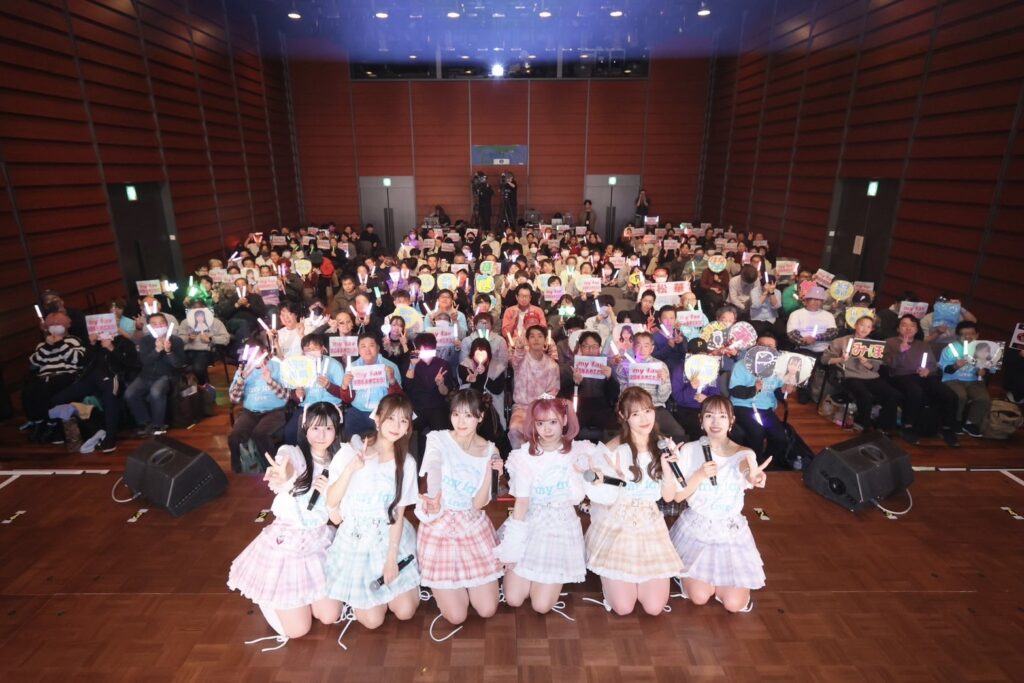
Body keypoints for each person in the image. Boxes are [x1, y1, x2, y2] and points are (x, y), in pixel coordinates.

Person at [227, 402, 344, 645]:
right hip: (287, 544)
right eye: (315, 428)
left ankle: (303, 601)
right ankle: (269, 599)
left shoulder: (339, 463)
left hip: (319, 541)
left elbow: (337, 519)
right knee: (297, 630)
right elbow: (286, 465)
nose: (321, 435)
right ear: (305, 427)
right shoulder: (294, 453)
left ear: (336, 430)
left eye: (328, 428)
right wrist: (283, 473)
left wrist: (331, 496)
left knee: (330, 616)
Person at [324, 395, 421, 635]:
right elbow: (331, 501)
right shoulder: (351, 451)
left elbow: (398, 513)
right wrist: (351, 469)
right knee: (372, 621)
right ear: (377, 419)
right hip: (356, 541)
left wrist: (391, 560)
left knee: (406, 611)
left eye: (403, 421)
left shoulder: (406, 463)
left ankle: (391, 593)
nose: (396, 426)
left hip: (389, 537)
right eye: (390, 419)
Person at [583, 387, 684, 616]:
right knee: (623, 607)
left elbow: (669, 497)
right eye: (636, 414)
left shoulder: (664, 445)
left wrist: (668, 469)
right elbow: (602, 494)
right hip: (618, 524)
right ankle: (609, 579)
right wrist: (602, 480)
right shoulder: (613, 450)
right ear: (623, 416)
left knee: (654, 608)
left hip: (650, 524)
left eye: (648, 411)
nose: (644, 419)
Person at [415, 389, 505, 639]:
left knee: (487, 609)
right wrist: (435, 495)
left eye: (468, 415)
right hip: (440, 521)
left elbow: (478, 504)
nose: (461, 421)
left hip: (471, 524)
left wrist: (490, 473)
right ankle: (449, 587)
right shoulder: (438, 438)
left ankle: (466, 583)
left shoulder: (491, 450)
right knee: (457, 616)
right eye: (456, 414)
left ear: (480, 416)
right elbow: (433, 465)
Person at [669, 396, 769, 613]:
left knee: (734, 604)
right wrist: (698, 475)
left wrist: (754, 476)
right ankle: (684, 575)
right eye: (709, 416)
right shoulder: (689, 450)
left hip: (729, 532)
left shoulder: (744, 453)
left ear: (731, 421)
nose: (715, 422)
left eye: (722, 416)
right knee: (699, 597)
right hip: (697, 531)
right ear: (701, 420)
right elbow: (677, 497)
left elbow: (746, 468)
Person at [496, 397, 589, 614]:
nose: (546, 429)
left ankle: (546, 578)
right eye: (540, 423)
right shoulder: (524, 456)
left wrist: (578, 474)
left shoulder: (579, 451)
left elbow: (577, 497)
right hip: (531, 522)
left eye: (553, 422)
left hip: (560, 526)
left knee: (540, 606)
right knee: (513, 599)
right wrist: (511, 551)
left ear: (564, 420)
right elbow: (521, 503)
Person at [883, 315, 960, 447]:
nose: (908, 328)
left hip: (922, 376)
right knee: (916, 392)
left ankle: (947, 428)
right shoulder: (889, 342)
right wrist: (901, 351)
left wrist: (928, 371)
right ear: (898, 328)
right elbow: (887, 364)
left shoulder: (922, 344)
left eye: (912, 325)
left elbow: (933, 365)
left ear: (917, 329)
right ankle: (908, 426)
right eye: (904, 325)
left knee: (950, 395)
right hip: (899, 376)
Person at [822, 316, 904, 433]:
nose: (865, 329)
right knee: (865, 395)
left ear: (872, 330)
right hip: (849, 376)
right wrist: (840, 359)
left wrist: (866, 363)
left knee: (893, 394)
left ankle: (884, 426)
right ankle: (862, 424)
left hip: (870, 376)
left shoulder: (873, 345)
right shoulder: (841, 341)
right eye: (862, 325)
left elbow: (875, 368)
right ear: (855, 325)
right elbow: (825, 359)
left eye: (868, 327)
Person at [728, 334, 797, 466]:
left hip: (765, 408)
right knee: (756, 433)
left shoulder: (778, 369)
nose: (765, 349)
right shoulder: (741, 365)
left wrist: (785, 390)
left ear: (776, 350)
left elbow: (778, 391)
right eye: (762, 345)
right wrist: (753, 389)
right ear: (755, 346)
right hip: (742, 406)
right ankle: (752, 464)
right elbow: (734, 391)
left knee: (779, 437)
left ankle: (768, 462)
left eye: (770, 346)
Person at [23, 311, 87, 443]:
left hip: (65, 375)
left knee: (44, 390)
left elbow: (77, 360)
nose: (55, 326)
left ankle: (50, 424)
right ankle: (38, 422)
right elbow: (34, 363)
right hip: (44, 376)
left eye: (58, 324)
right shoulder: (42, 345)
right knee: (29, 391)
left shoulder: (73, 340)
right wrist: (48, 345)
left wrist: (60, 344)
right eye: (52, 324)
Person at [611, 332, 688, 441]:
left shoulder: (660, 366)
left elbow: (663, 398)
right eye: (638, 345)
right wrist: (617, 366)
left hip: (655, 407)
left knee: (678, 433)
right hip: (632, 408)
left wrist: (663, 381)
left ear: (652, 348)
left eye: (646, 346)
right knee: (616, 433)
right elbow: (622, 392)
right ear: (633, 347)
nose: (642, 349)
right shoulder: (625, 366)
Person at [227, 339, 290, 473]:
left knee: (260, 434)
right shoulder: (243, 370)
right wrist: (241, 379)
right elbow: (233, 399)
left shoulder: (277, 367)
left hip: (275, 411)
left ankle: (274, 470)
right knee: (234, 437)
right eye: (249, 355)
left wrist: (270, 381)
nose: (252, 358)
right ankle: (238, 472)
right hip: (250, 412)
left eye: (255, 354)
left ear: (264, 352)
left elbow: (285, 397)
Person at [125, 313, 185, 437]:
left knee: (156, 392)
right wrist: (157, 350)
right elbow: (144, 361)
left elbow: (178, 364)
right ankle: (145, 422)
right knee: (129, 394)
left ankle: (158, 425)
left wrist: (169, 351)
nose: (159, 326)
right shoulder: (145, 341)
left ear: (167, 325)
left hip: (166, 376)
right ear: (149, 327)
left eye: (161, 323)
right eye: (155, 324)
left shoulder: (176, 341)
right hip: (145, 375)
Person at [339, 333, 402, 439]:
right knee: (351, 441)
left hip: (383, 412)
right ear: (358, 350)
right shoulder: (352, 368)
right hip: (357, 411)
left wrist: (392, 380)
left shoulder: (391, 367)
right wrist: (344, 386)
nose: (367, 350)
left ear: (378, 348)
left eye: (371, 345)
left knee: (382, 443)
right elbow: (347, 399)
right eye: (363, 346)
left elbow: (398, 398)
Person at [403, 333, 456, 457]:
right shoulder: (411, 362)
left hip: (437, 407)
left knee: (443, 434)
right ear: (416, 349)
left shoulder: (443, 364)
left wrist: (440, 384)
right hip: (416, 407)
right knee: (407, 432)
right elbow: (406, 387)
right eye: (422, 350)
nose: (425, 353)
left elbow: (446, 392)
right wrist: (413, 365)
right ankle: (411, 460)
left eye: (428, 349)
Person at [508, 326, 560, 449]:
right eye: (532, 336)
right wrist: (519, 349)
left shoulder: (552, 365)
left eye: (540, 336)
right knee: (515, 429)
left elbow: (553, 390)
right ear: (527, 340)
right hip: (521, 408)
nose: (536, 339)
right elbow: (515, 360)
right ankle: (520, 458)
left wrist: (539, 403)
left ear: (545, 340)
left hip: (542, 408)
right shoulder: (521, 360)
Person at [938, 321, 991, 438]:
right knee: (961, 396)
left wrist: (983, 372)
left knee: (983, 399)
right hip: (953, 379)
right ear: (957, 336)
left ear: (977, 335)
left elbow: (989, 368)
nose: (968, 337)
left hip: (974, 380)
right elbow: (945, 369)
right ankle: (955, 421)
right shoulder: (950, 349)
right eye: (964, 334)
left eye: (971, 334)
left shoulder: (983, 348)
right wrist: (955, 366)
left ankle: (971, 423)